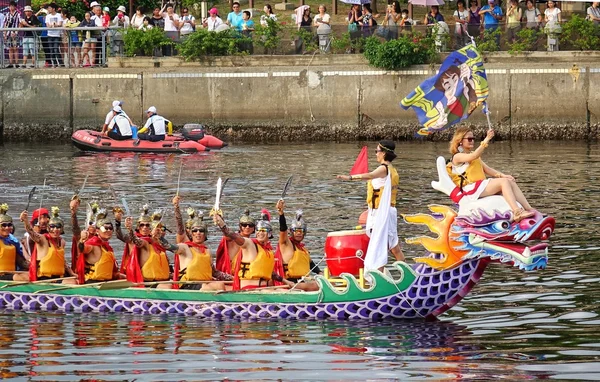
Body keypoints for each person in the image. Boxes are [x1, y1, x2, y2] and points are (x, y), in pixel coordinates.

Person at [337, 141, 405, 272]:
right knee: (389, 245)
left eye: (377, 151)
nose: (376, 154)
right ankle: (397, 271)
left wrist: (349, 178)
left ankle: (381, 276)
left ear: (384, 153)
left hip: (382, 212)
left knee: (383, 246)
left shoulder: (383, 168)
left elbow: (370, 175)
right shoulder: (391, 169)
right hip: (385, 211)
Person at [447, 126, 537, 222]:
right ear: (460, 141)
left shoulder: (473, 155)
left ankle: (529, 209)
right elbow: (474, 155)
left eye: (473, 139)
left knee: (510, 182)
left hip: (480, 186)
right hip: (471, 189)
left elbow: (487, 169)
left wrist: (503, 175)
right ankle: (517, 212)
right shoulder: (457, 157)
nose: (472, 141)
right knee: (503, 183)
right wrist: (487, 138)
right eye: (469, 139)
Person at [161, 209, 233, 291]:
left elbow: (215, 273)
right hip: (188, 285)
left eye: (201, 231)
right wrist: (159, 237)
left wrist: (234, 278)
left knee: (220, 284)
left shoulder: (207, 251)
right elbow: (169, 246)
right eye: (195, 231)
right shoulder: (185, 247)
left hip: (204, 284)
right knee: (214, 287)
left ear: (205, 234)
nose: (198, 233)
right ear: (191, 234)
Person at [214, 211, 285, 290]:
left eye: (264, 230)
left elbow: (269, 272)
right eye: (259, 230)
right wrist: (221, 223)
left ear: (269, 233)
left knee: (290, 290)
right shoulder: (249, 243)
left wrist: (286, 281)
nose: (260, 233)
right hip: (250, 288)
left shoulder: (267, 250)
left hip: (264, 288)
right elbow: (230, 234)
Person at [17, 207, 76, 282]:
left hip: (59, 277)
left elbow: (62, 260)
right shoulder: (42, 239)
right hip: (45, 278)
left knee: (74, 281)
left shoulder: (62, 242)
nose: (55, 230)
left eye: (58, 227)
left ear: (61, 229)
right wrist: (26, 221)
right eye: (52, 227)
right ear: (48, 228)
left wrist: (71, 273)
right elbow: (32, 233)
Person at [118, 206, 170, 288]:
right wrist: (128, 229)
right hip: (146, 282)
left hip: (161, 280)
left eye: (147, 225)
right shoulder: (142, 241)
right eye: (142, 225)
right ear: (138, 227)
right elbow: (135, 241)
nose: (145, 227)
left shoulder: (160, 244)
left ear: (150, 228)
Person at [275, 201, 319, 292]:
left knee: (327, 282)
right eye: (296, 230)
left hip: (302, 281)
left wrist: (320, 273)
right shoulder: (286, 244)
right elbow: (283, 229)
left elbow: (311, 264)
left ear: (304, 232)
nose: (299, 233)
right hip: (289, 283)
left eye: (301, 231)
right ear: (291, 232)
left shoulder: (302, 249)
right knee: (316, 286)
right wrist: (281, 213)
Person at [76, 209, 123, 284]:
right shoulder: (92, 244)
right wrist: (81, 240)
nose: (108, 230)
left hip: (106, 282)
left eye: (110, 228)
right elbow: (81, 249)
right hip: (92, 283)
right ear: (97, 231)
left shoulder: (108, 247)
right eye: (105, 228)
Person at [214, 209, 255, 274]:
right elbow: (227, 233)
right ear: (240, 226)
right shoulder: (233, 238)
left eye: (250, 225)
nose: (247, 227)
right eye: (244, 225)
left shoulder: (253, 243)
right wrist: (221, 222)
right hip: (231, 275)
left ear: (253, 229)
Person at [0, 204, 30, 281]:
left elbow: (21, 261)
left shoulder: (12, 242)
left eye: (9, 225)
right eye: (3, 225)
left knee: (31, 274)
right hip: (1, 276)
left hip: (10, 274)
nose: (7, 228)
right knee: (25, 277)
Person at [45, 3, 64, 68]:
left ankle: (61, 64)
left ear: (53, 9)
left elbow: (60, 24)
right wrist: (50, 26)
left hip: (57, 35)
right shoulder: (48, 16)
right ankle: (55, 64)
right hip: (49, 35)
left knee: (56, 49)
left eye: (49, 8)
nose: (48, 9)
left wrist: (56, 25)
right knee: (51, 50)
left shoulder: (59, 15)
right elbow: (47, 25)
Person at [4, 1, 21, 69]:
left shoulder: (18, 14)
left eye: (12, 6)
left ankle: (16, 63)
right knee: (10, 49)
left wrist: (16, 32)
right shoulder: (7, 14)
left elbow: (20, 24)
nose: (11, 7)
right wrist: (4, 33)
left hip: (15, 34)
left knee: (15, 48)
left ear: (15, 7)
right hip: (8, 34)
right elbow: (5, 24)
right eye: (10, 6)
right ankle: (10, 63)